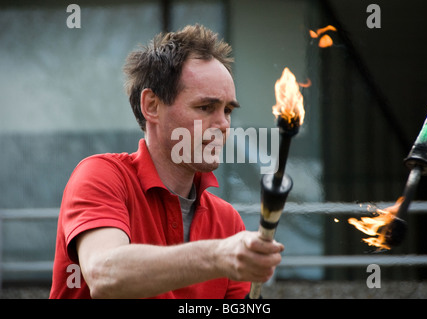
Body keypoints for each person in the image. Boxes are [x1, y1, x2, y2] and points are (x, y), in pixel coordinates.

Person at [49, 24, 284, 299]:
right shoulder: (100, 175)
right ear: (151, 106)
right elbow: (104, 275)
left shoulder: (227, 221)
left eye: (228, 110)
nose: (223, 124)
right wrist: (218, 256)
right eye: (206, 107)